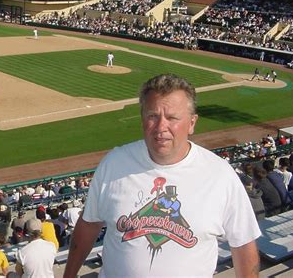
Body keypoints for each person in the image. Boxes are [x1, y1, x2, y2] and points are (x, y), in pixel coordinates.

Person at [64, 74, 260, 278]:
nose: (160, 127)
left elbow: (243, 244)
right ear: (142, 119)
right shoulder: (113, 163)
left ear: (192, 123)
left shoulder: (220, 175)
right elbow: (89, 224)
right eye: (152, 116)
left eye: (172, 117)